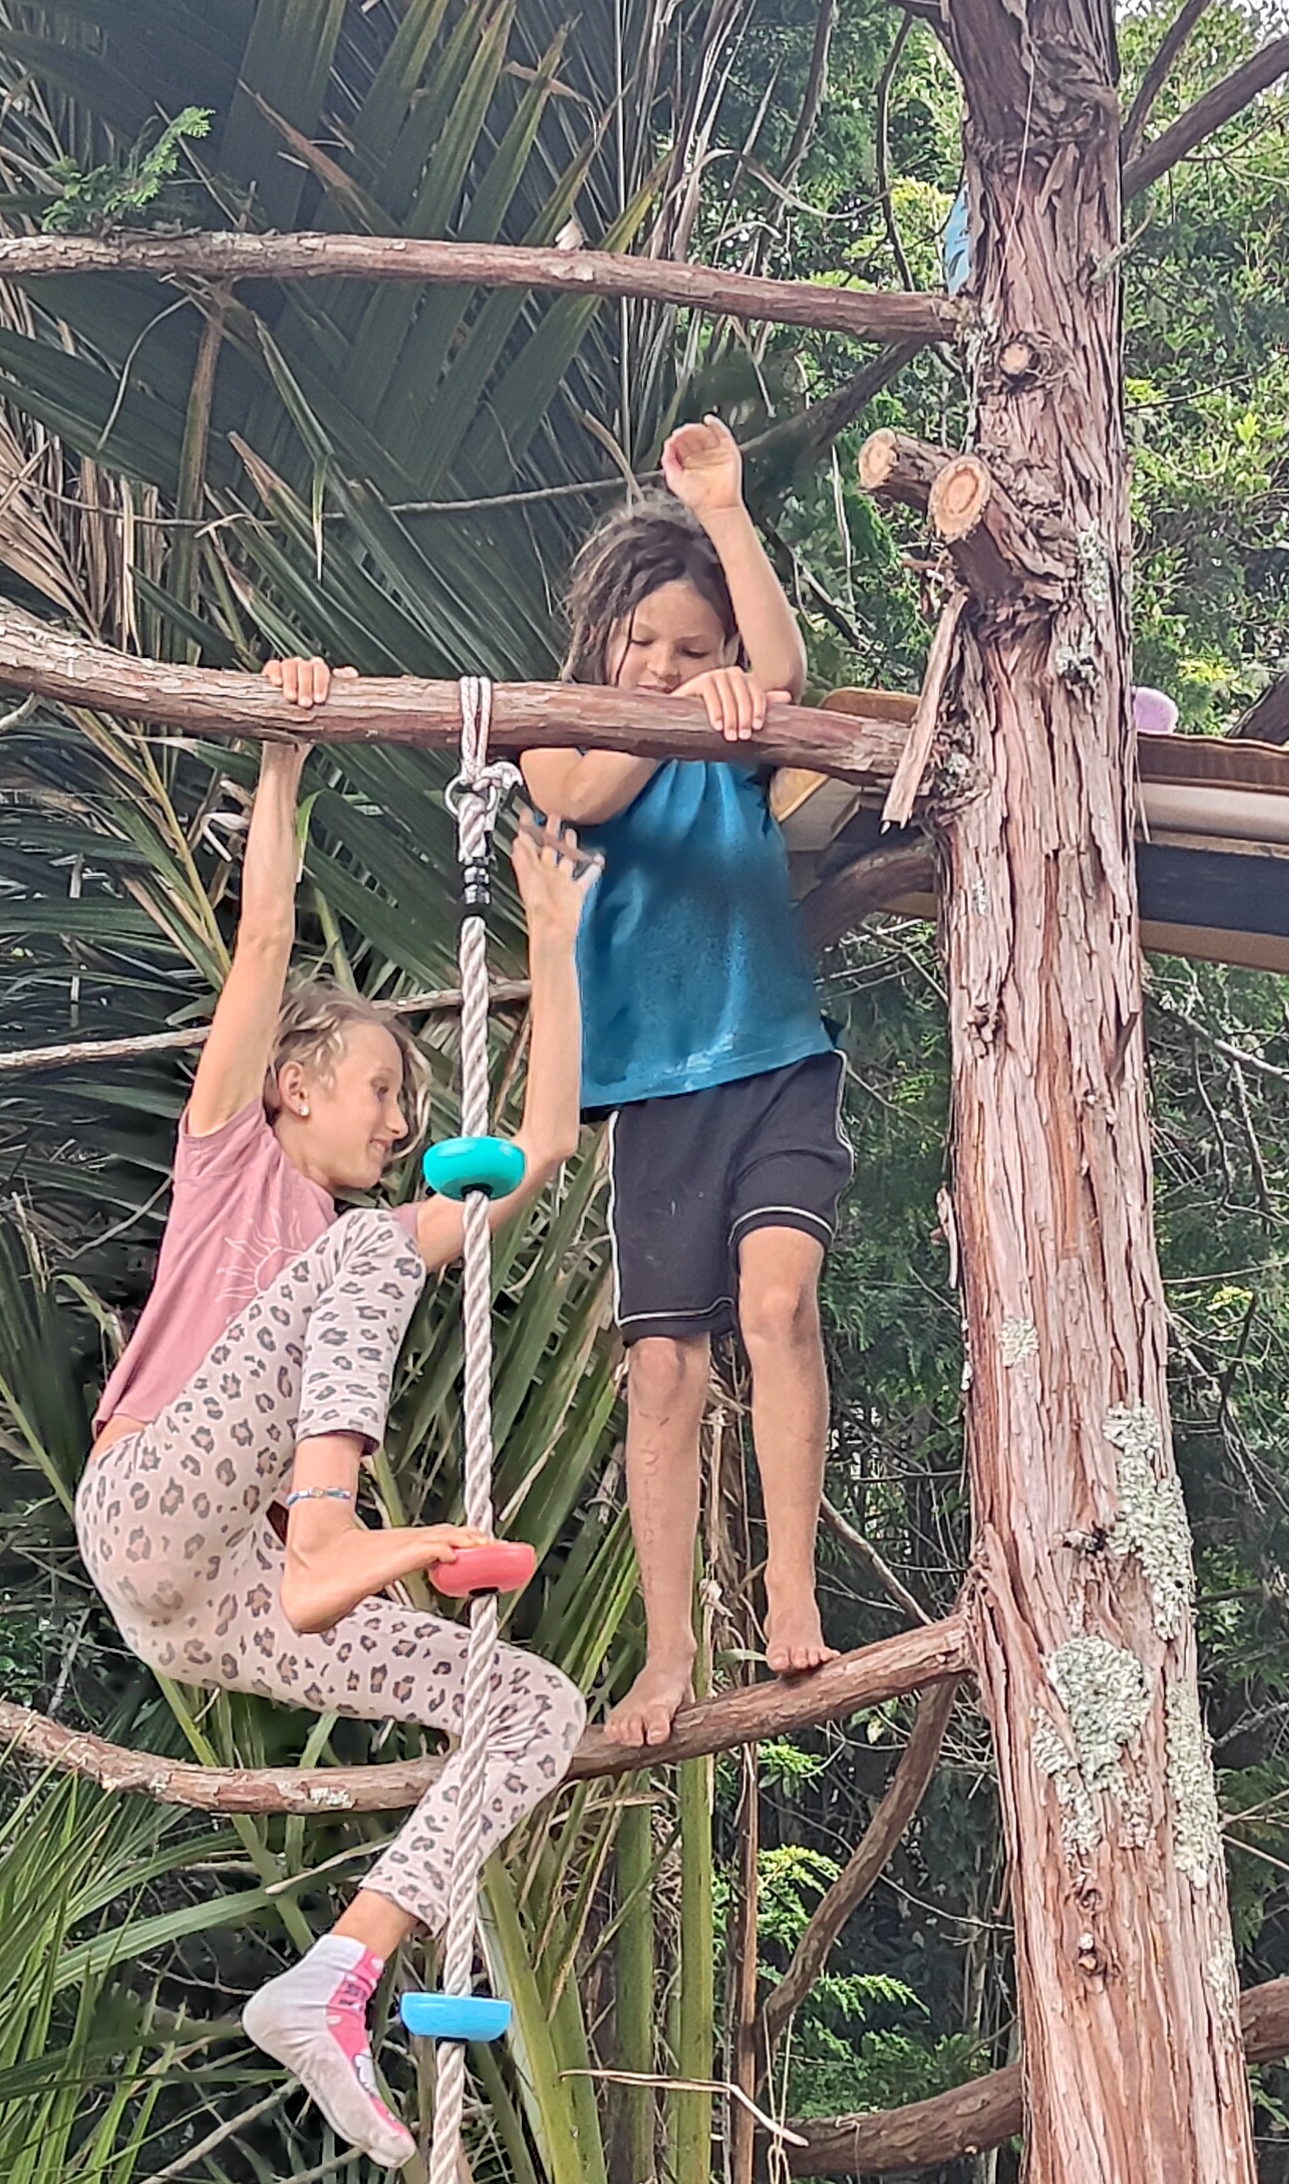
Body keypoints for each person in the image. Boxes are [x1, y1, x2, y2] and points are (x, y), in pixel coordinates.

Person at [75, 658, 597, 2167]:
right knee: (366, 1248)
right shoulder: (233, 1154)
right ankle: (332, 1533)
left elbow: (543, 1146)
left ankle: (341, 1974)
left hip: (214, 1608)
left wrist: (553, 947)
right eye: (377, 1088)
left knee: (532, 1706)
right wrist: (288, 758)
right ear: (295, 1085)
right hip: (151, 1508)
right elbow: (263, 937)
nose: (396, 1120)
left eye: (408, 1107)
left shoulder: (364, 1241)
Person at [519, 416, 851, 1752]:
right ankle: (666, 1654)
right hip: (655, 1092)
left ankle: (788, 1581)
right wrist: (671, 708)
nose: (666, 666)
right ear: (599, 639)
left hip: (773, 1060)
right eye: (641, 643)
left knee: (775, 1308)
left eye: (690, 650)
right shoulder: (560, 737)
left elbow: (782, 666)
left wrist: (721, 516)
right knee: (663, 1369)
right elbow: (589, 792)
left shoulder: (737, 739)